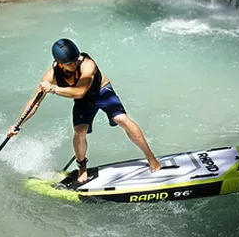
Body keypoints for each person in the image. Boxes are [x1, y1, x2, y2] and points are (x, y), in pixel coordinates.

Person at [8, 38, 161, 183]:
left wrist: (54, 89)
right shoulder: (51, 76)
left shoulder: (88, 64)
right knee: (80, 131)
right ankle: (82, 168)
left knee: (121, 119)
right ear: (60, 64)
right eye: (70, 63)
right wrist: (17, 124)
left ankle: (151, 157)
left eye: (76, 60)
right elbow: (35, 103)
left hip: (102, 92)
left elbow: (80, 91)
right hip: (84, 101)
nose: (75, 64)